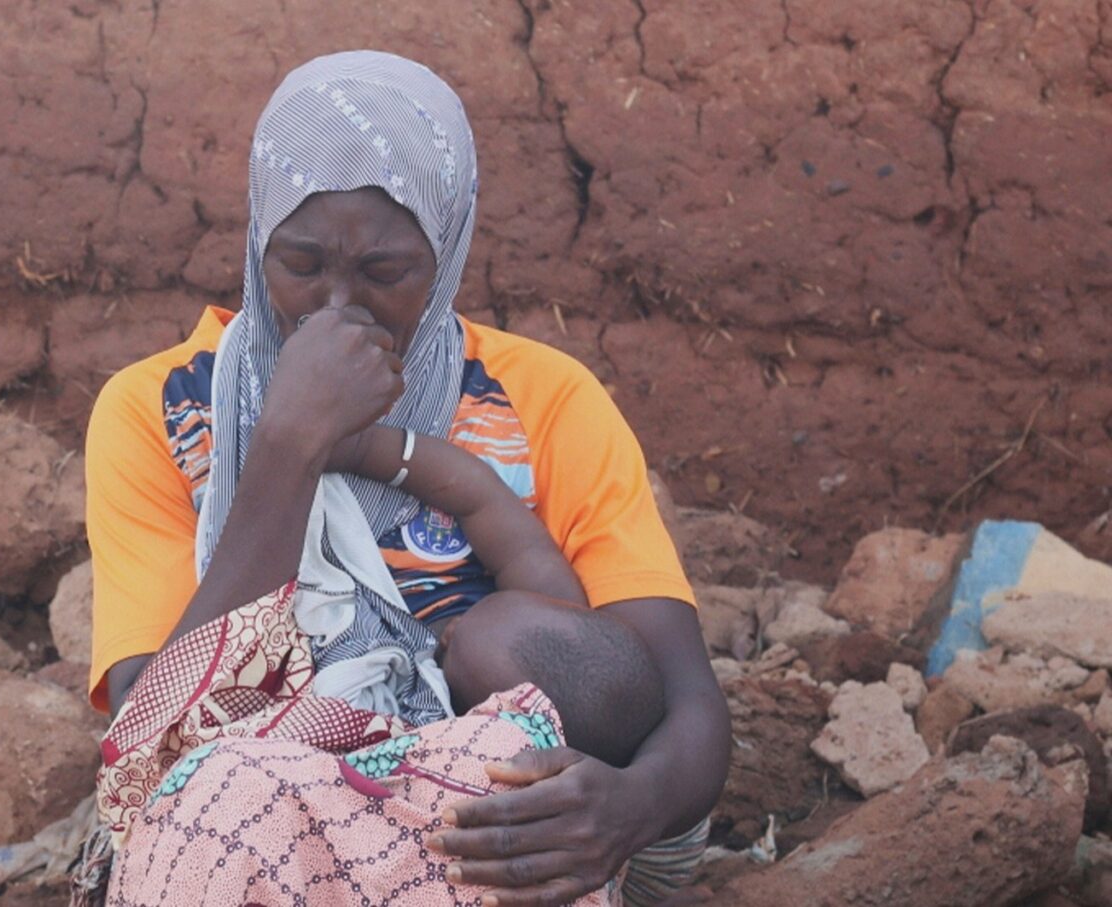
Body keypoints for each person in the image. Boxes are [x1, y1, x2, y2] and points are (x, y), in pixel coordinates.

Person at [83, 50, 730, 906]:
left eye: (385, 273)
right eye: (300, 263)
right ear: (256, 239)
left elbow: (677, 701)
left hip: (484, 825)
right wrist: (286, 443)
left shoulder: (545, 400)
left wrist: (629, 806)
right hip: (257, 803)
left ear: (447, 248)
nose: (335, 306)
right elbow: (157, 738)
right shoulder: (159, 409)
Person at [332, 423, 667, 768]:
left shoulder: (423, 725)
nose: (451, 627)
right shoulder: (548, 590)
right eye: (488, 604)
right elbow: (479, 494)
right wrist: (362, 447)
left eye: (449, 650)